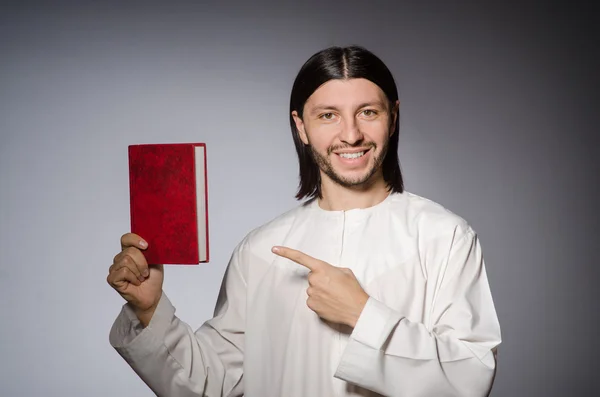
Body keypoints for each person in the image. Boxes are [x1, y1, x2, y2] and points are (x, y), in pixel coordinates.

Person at [107, 45, 501, 397]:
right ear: (301, 128)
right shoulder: (261, 249)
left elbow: (469, 379)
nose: (351, 134)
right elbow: (214, 384)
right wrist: (150, 310)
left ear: (392, 118)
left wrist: (363, 314)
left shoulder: (444, 236)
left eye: (368, 112)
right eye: (328, 115)